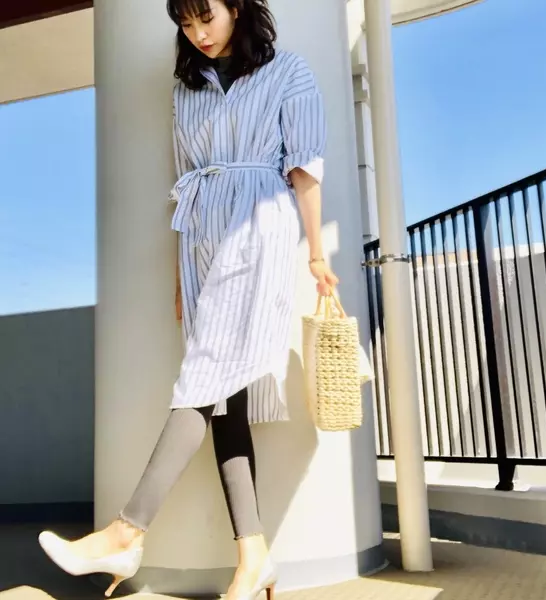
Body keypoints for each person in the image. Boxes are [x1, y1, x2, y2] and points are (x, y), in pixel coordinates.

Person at [38, 0, 339, 599]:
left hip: (257, 228)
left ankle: (125, 533)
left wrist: (315, 253)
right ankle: (255, 559)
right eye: (186, 23)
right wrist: (182, 277)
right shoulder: (186, 89)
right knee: (224, 400)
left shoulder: (288, 71)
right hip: (201, 242)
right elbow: (185, 178)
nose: (198, 33)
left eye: (208, 17)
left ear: (237, 8)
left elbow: (304, 168)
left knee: (200, 382)